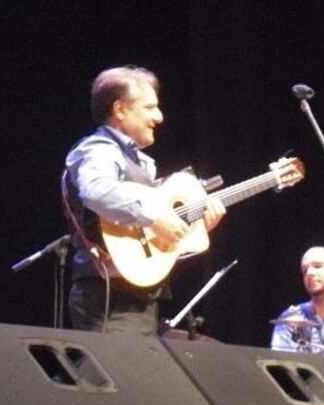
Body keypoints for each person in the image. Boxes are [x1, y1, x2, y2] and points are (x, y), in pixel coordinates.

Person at [63, 66, 226, 335]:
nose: (159, 117)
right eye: (149, 107)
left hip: (138, 297)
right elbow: (95, 190)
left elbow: (144, 238)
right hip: (108, 301)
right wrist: (154, 216)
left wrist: (193, 229)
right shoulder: (98, 150)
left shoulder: (143, 163)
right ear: (120, 109)